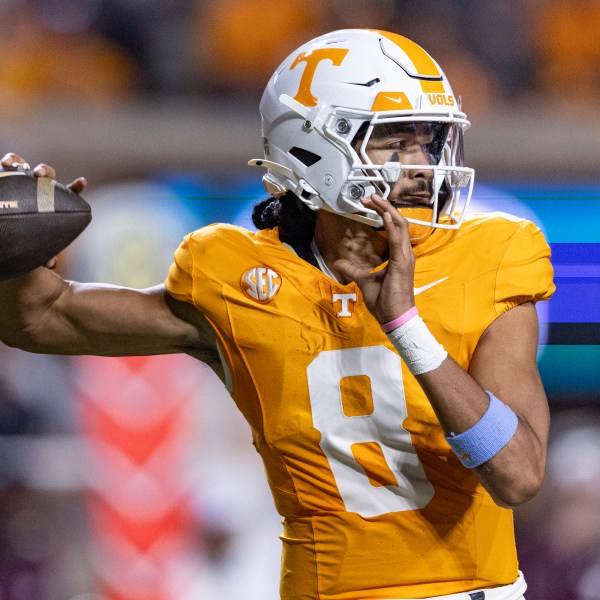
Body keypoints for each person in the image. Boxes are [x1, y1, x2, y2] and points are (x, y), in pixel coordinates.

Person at [0, 29, 554, 599]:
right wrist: (13, 250)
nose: (421, 165)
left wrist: (406, 328)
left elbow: (518, 475)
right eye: (393, 142)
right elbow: (41, 319)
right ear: (311, 150)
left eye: (429, 141)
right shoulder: (233, 275)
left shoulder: (492, 254)